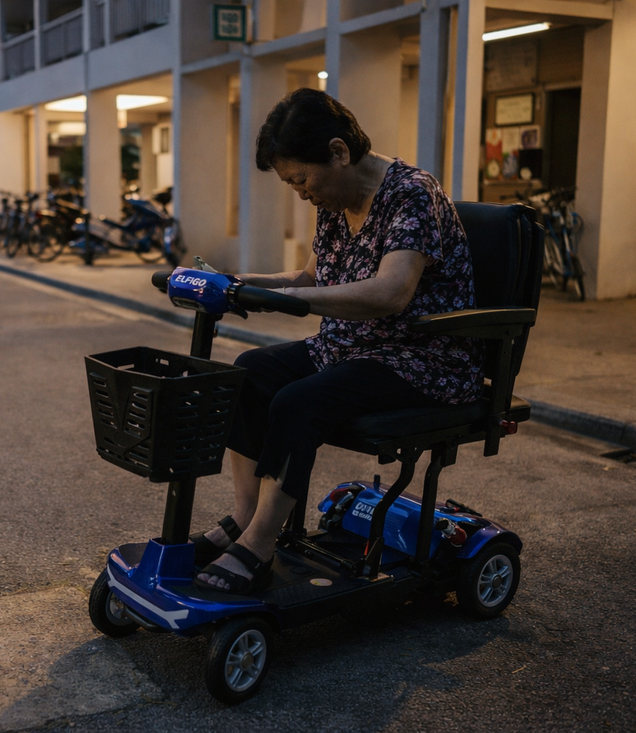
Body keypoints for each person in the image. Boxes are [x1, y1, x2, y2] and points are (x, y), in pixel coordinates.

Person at [192, 89, 484, 595]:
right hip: (352, 349)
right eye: (291, 184)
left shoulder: (412, 193)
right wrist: (240, 284)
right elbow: (310, 279)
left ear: (338, 151)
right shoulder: (336, 198)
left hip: (421, 358)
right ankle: (246, 516)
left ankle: (261, 542)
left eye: (301, 179)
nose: (300, 192)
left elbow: (393, 292)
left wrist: (302, 304)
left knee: (299, 400)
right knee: (246, 371)